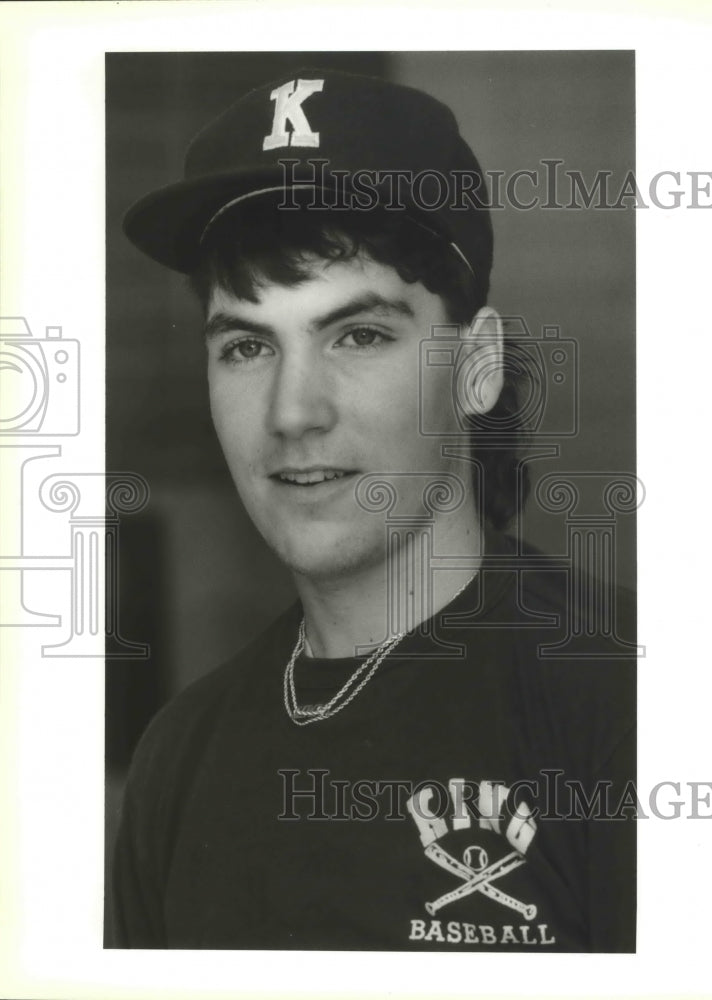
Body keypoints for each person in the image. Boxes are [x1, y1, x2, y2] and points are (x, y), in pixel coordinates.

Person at [111, 68, 636, 951]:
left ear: (477, 365)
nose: (291, 412)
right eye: (246, 346)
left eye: (359, 335)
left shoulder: (633, 711)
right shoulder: (178, 759)